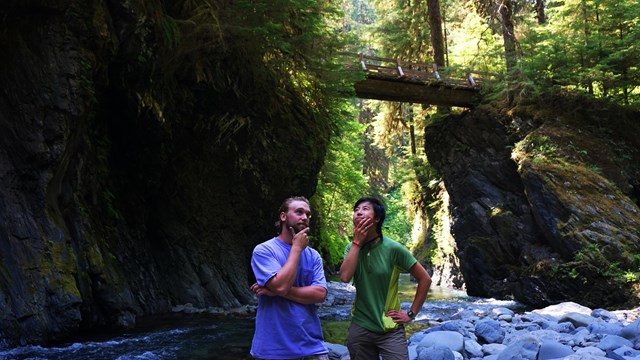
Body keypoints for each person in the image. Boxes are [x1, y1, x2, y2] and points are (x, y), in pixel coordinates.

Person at [340, 197, 432, 359]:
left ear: (377, 219)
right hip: (360, 326)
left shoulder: (393, 248)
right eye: (356, 210)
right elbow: (345, 277)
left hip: (390, 328)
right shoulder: (351, 248)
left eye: (365, 208)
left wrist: (411, 313)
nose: (358, 212)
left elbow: (425, 279)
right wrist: (356, 243)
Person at [250, 196, 329, 360]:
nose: (305, 217)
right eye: (299, 212)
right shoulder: (264, 250)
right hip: (273, 349)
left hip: (312, 347)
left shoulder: (314, 256)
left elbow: (320, 294)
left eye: (307, 214)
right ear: (283, 216)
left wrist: (275, 291)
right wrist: (296, 249)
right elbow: (280, 286)